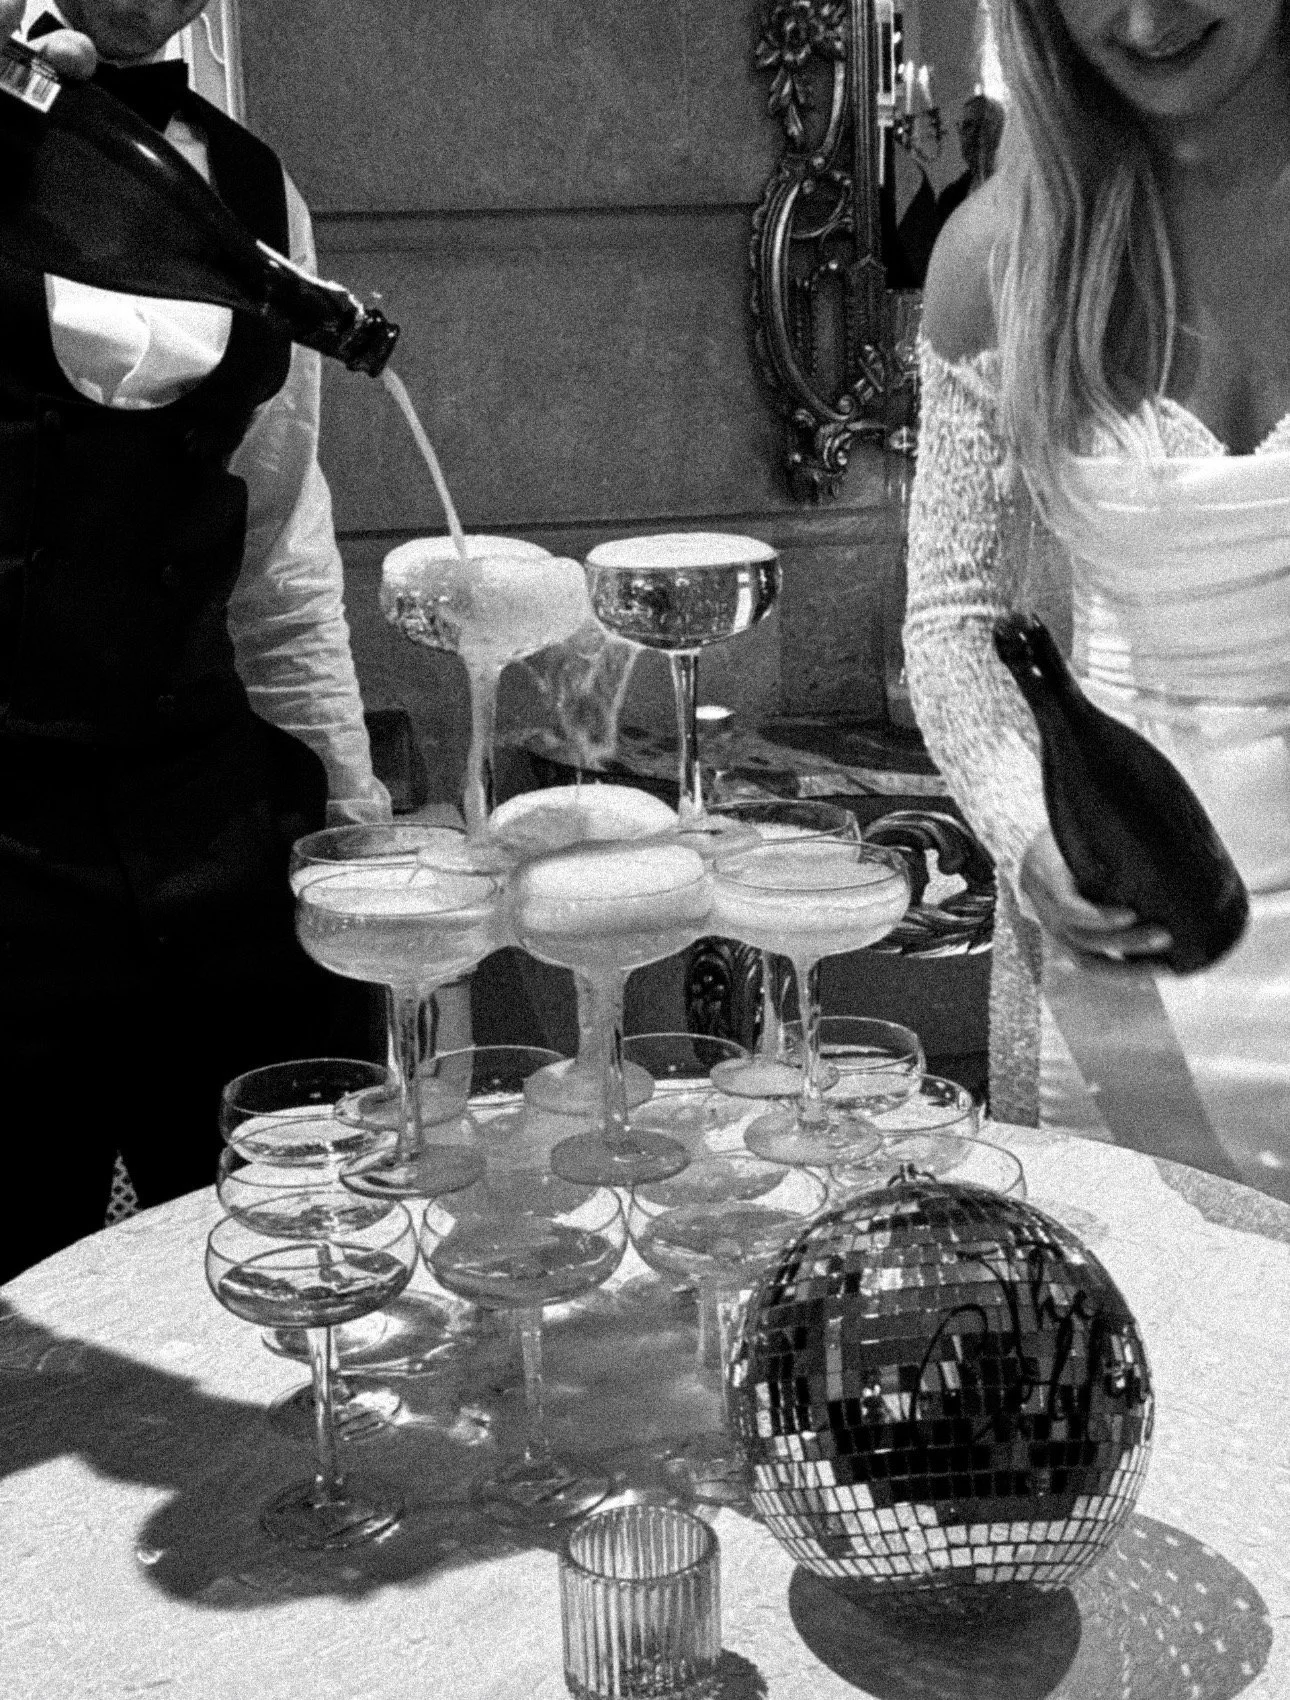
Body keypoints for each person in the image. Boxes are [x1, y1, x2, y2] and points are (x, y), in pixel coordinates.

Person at [0, 0, 393, 1282]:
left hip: (216, 838)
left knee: (278, 1276)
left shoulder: (257, 193)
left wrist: (350, 823)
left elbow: (279, 548)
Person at [902, 0, 1290, 1199]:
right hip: (1119, 944)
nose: (1144, 17)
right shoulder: (1001, 257)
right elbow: (951, 618)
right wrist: (1026, 831)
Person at [934, 91, 1006, 226]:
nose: (971, 135)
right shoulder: (950, 198)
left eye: (982, 125)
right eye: (963, 127)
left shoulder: (1012, 185)